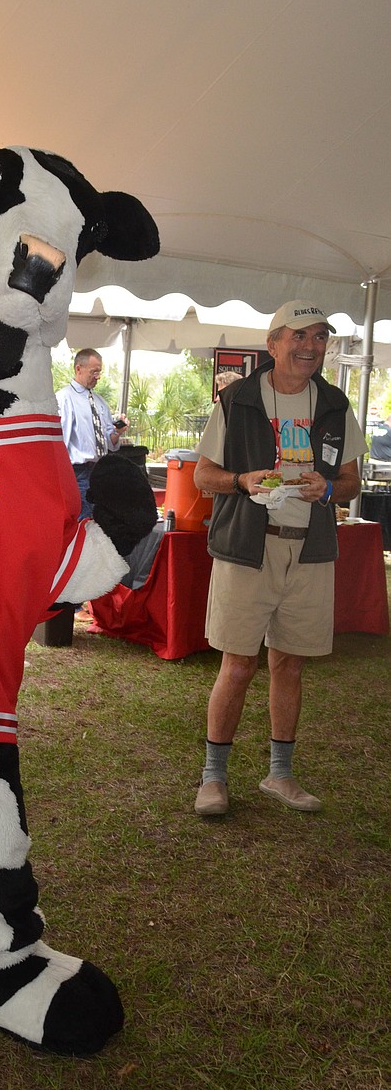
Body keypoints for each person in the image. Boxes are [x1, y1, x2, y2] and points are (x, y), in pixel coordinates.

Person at [192, 300, 368, 817]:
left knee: (289, 662)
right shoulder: (238, 399)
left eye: (319, 337)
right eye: (299, 336)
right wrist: (242, 481)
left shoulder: (334, 405)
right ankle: (213, 779)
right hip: (249, 545)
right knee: (238, 663)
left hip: (310, 549)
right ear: (273, 344)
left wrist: (329, 487)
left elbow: (353, 482)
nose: (310, 346)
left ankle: (280, 775)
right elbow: (203, 476)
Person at [56, 348, 126, 519]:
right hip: (77, 472)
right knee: (83, 523)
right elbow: (60, 440)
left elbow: (110, 442)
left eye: (99, 372)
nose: (98, 376)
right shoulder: (64, 398)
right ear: (78, 369)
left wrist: (117, 431)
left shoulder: (99, 402)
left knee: (98, 522)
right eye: (94, 371)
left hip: (99, 470)